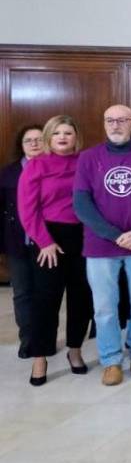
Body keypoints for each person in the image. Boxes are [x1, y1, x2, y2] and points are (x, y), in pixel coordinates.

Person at [73, 104, 131, 386]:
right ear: (104, 124)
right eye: (110, 120)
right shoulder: (88, 158)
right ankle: (111, 360)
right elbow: (81, 204)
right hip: (101, 246)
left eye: (122, 120)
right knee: (104, 307)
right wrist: (114, 235)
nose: (115, 125)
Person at [18, 117, 92, 385]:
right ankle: (40, 356)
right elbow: (28, 208)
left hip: (83, 236)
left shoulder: (86, 162)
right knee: (46, 300)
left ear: (76, 137)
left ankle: (75, 350)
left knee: (81, 297)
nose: (63, 137)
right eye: (57, 133)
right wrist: (44, 241)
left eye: (68, 133)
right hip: (48, 238)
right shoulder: (36, 165)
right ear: (49, 137)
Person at [1, 125, 44, 359]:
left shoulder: (54, 169)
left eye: (39, 139)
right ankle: (28, 340)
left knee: (45, 293)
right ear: (22, 145)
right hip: (17, 243)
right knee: (22, 294)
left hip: (48, 244)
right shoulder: (8, 173)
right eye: (29, 140)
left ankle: (44, 339)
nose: (34, 144)